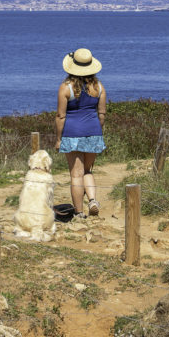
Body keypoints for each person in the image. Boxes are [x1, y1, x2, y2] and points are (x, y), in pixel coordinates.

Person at [54, 48, 107, 219]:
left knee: (76, 175)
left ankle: (79, 213)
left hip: (72, 134)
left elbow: (60, 116)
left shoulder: (65, 87)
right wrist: (96, 130)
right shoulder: (99, 87)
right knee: (87, 171)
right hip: (93, 132)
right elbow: (102, 114)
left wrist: (58, 139)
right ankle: (92, 200)